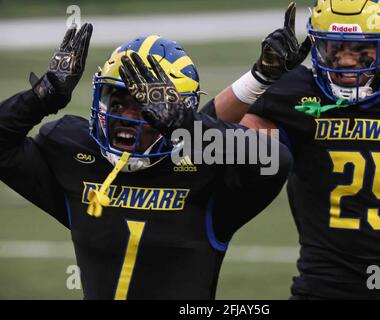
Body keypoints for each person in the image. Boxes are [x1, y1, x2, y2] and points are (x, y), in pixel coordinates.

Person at [0, 24, 292, 299]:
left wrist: (189, 126)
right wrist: (42, 96)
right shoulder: (75, 153)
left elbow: (274, 159)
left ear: (179, 111)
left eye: (145, 107)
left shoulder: (202, 168)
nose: (125, 118)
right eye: (117, 103)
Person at [208, 0, 380, 299]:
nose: (346, 62)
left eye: (362, 51)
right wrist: (259, 78)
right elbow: (197, 139)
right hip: (322, 288)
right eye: (335, 48)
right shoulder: (295, 95)